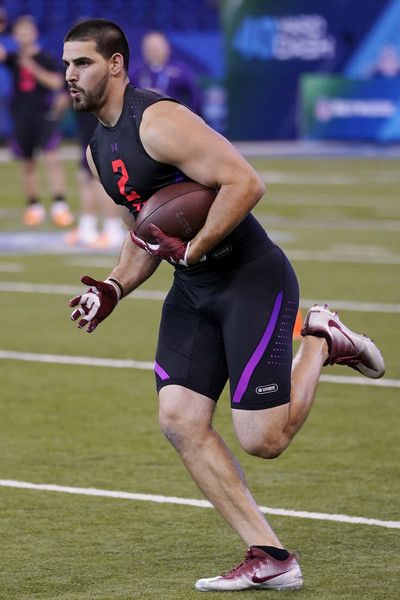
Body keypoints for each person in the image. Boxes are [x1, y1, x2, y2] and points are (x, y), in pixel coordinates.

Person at [63, 19, 385, 592]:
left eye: (82, 63)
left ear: (115, 65)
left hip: (249, 278)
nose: (70, 75)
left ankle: (320, 338)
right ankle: (270, 554)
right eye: (66, 65)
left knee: (264, 441)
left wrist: (195, 247)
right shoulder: (96, 149)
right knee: (180, 420)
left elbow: (245, 182)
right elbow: (142, 237)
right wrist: (110, 288)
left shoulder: (158, 121)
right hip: (193, 289)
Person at [0, 15, 73, 227]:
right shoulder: (12, 58)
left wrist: (33, 68)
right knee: (28, 162)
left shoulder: (46, 57)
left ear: (34, 34)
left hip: (44, 115)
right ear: (14, 36)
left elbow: (56, 83)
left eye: (27, 31)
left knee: (52, 158)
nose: (24, 36)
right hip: (21, 116)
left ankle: (60, 205)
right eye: (20, 32)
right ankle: (33, 206)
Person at [64, 108, 125, 248]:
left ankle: (112, 228)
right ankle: (87, 225)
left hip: (100, 117)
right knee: (85, 174)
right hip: (87, 120)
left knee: (101, 176)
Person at [130, 30, 202, 114]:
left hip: (173, 118)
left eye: (156, 48)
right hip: (142, 120)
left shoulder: (180, 70)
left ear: (167, 48)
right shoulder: (135, 70)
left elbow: (195, 95)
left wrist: (187, 116)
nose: (153, 52)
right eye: (150, 48)